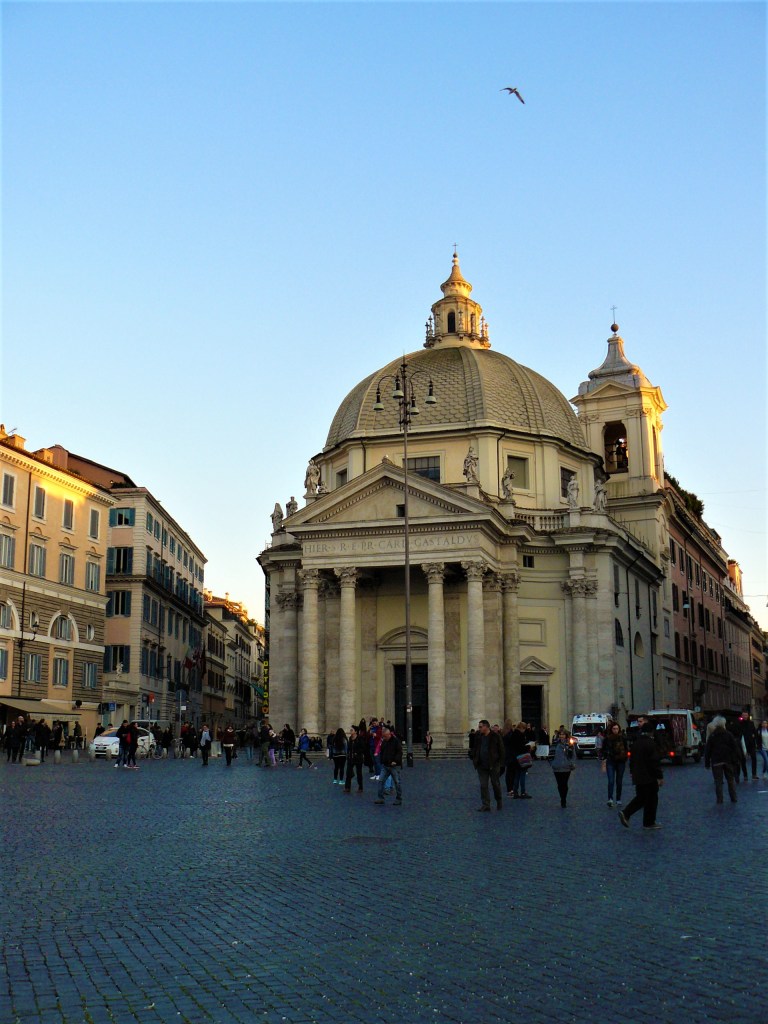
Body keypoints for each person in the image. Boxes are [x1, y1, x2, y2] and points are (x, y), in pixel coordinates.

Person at [618, 717, 663, 829]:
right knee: (651, 799)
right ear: (651, 732)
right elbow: (654, 761)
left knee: (642, 797)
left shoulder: (636, 743)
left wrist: (632, 772)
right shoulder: (650, 744)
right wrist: (659, 776)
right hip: (649, 776)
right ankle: (648, 821)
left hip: (638, 775)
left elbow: (632, 760)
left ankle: (628, 814)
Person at [471, 719, 504, 812]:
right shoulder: (478, 736)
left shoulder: (496, 736)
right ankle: (486, 804)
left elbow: (501, 749)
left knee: (495, 784)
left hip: (493, 764)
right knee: (483, 785)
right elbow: (476, 748)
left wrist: (501, 763)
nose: (479, 728)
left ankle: (499, 800)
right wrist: (474, 757)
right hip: (481, 765)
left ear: (486, 727)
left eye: (481, 727)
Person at [704, 723, 740, 804]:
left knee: (718, 781)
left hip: (716, 761)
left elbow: (708, 750)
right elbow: (735, 748)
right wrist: (736, 759)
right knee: (730, 780)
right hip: (728, 760)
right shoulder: (728, 734)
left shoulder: (712, 736)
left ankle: (719, 799)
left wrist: (707, 763)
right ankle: (733, 798)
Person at [374, 725, 402, 805]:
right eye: (383, 736)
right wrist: (382, 760)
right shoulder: (384, 741)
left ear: (389, 734)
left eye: (385, 736)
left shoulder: (396, 741)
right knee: (381, 781)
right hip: (385, 765)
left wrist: (395, 761)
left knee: (397, 782)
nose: (384, 738)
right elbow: (382, 751)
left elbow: (399, 752)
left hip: (394, 766)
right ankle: (380, 798)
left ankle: (399, 798)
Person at [601, 722, 628, 808]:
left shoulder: (623, 738)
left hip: (621, 761)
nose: (615, 730)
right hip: (611, 761)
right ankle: (610, 798)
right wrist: (605, 757)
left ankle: (618, 799)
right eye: (614, 729)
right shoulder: (607, 739)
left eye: (617, 729)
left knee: (619, 781)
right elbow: (603, 749)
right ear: (611, 729)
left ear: (619, 729)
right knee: (611, 781)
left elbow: (626, 749)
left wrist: (624, 757)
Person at [550, 729, 576, 807]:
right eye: (560, 734)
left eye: (563, 734)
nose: (561, 736)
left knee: (564, 784)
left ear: (566, 735)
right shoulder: (555, 744)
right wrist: (552, 764)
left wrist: (571, 763)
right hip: (557, 767)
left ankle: (563, 799)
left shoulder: (569, 744)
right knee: (559, 784)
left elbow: (573, 755)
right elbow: (550, 755)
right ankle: (562, 797)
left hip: (566, 767)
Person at [344, 725, 366, 793]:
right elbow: (349, 748)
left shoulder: (360, 738)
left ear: (356, 731)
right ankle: (347, 787)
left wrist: (357, 752)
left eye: (351, 730)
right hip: (350, 758)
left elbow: (363, 748)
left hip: (358, 758)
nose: (350, 731)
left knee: (359, 773)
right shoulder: (350, 738)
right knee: (348, 773)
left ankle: (360, 787)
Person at [736, 714, 758, 781]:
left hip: (751, 744)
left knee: (754, 758)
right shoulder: (740, 724)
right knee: (743, 760)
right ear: (742, 716)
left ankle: (754, 774)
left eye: (746, 715)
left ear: (748, 716)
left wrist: (754, 736)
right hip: (743, 744)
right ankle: (745, 775)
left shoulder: (751, 723)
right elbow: (738, 733)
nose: (745, 716)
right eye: (744, 715)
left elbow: (755, 732)